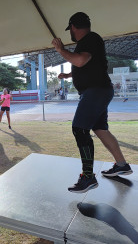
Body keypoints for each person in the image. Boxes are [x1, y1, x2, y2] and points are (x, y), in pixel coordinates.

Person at [52, 12, 133, 193]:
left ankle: (88, 177)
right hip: (99, 90)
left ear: (73, 27)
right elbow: (90, 65)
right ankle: (122, 165)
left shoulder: (90, 38)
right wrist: (70, 75)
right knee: (100, 129)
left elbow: (80, 60)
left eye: (70, 30)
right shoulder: (90, 41)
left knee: (80, 129)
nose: (70, 34)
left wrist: (60, 50)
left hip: (96, 91)